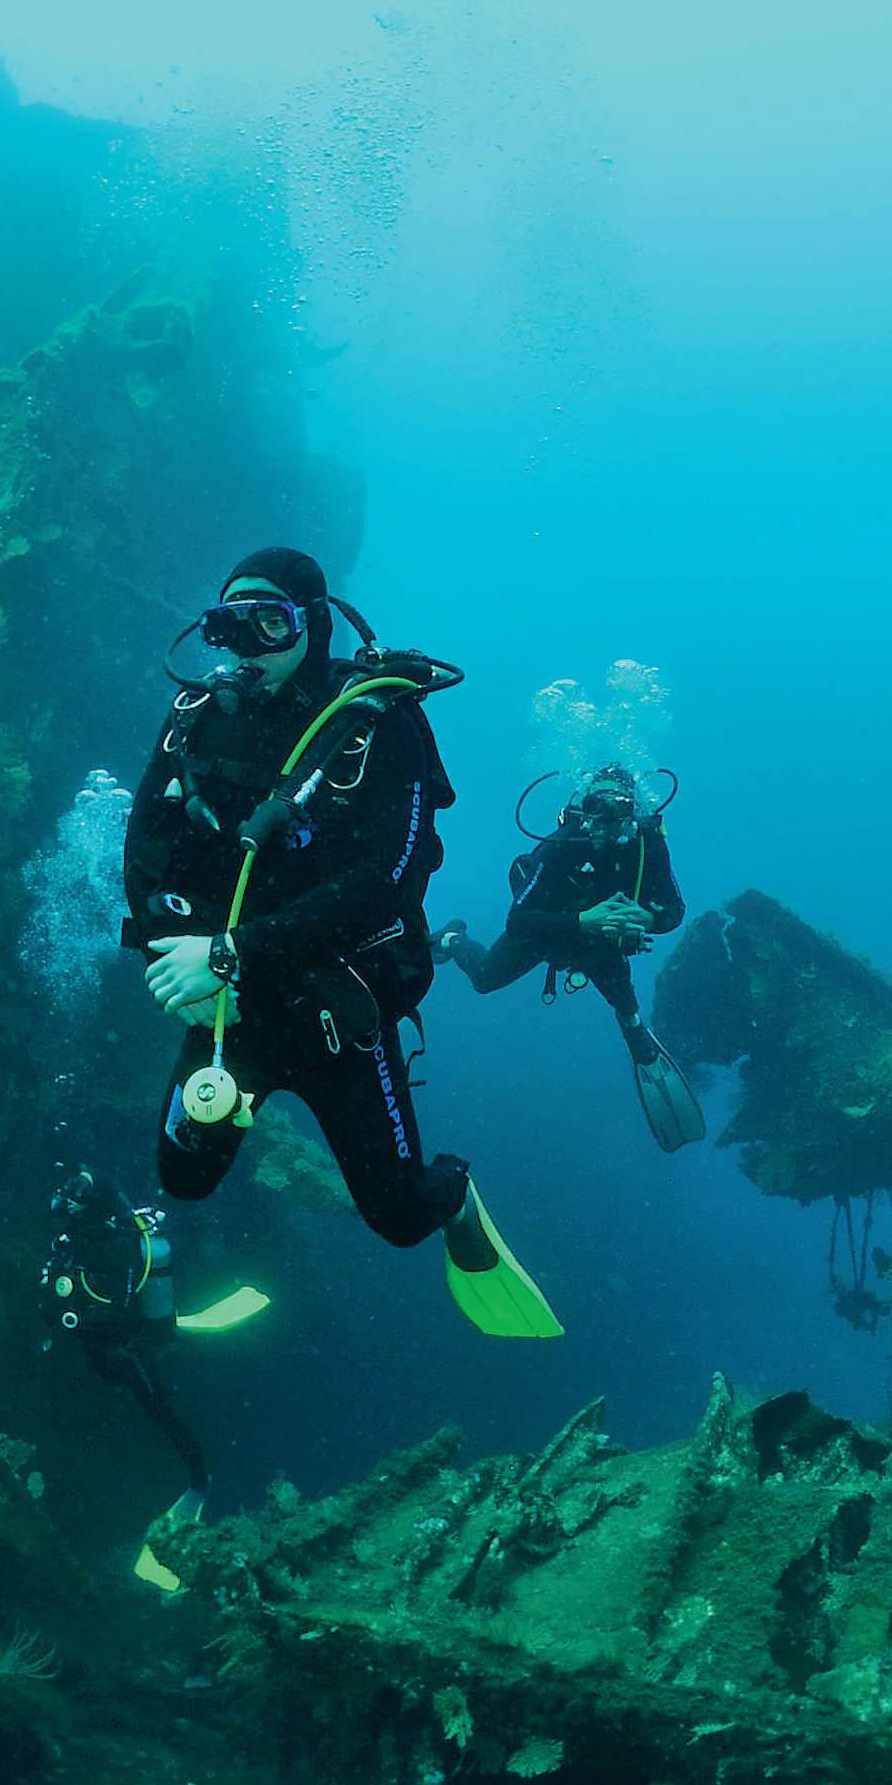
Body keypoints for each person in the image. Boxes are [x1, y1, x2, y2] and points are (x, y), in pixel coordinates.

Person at [121, 546, 561, 1338]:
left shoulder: (378, 723)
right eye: (230, 623)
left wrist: (229, 954)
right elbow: (144, 846)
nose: (249, 644)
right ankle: (246, 1111)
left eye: (272, 620)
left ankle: (455, 1196)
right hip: (230, 1012)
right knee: (181, 1178)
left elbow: (380, 887)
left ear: (312, 624)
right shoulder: (195, 716)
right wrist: (180, 955)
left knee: (397, 1217)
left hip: (336, 1014)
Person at [434, 766, 707, 1152]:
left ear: (634, 811)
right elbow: (518, 919)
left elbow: (675, 910)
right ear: (584, 806)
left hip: (602, 948)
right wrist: (582, 921)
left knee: (629, 1015)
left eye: (617, 808)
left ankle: (640, 1043)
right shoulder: (564, 842)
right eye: (596, 806)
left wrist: (648, 918)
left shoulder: (648, 845)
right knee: (483, 978)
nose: (605, 820)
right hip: (548, 933)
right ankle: (451, 938)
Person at [35, 1159, 267, 1588]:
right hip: (99, 1349)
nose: (67, 1197)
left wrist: (70, 1316)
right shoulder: (82, 1236)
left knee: (161, 1411)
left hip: (128, 1350)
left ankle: (200, 1480)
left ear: (95, 1204)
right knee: (118, 1394)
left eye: (79, 1191)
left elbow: (115, 1308)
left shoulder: (116, 1247)